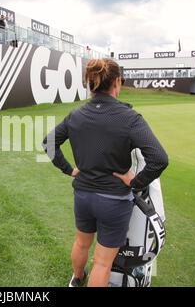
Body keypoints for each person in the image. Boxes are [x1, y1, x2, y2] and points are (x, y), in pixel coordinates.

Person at [43, 58, 169, 287]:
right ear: (117, 83)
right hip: (114, 201)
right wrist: (135, 182)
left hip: (83, 196)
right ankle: (78, 279)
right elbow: (159, 159)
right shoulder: (130, 118)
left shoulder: (76, 115)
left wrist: (70, 170)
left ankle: (76, 279)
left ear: (90, 84)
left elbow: (49, 142)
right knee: (102, 263)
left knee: (82, 243)